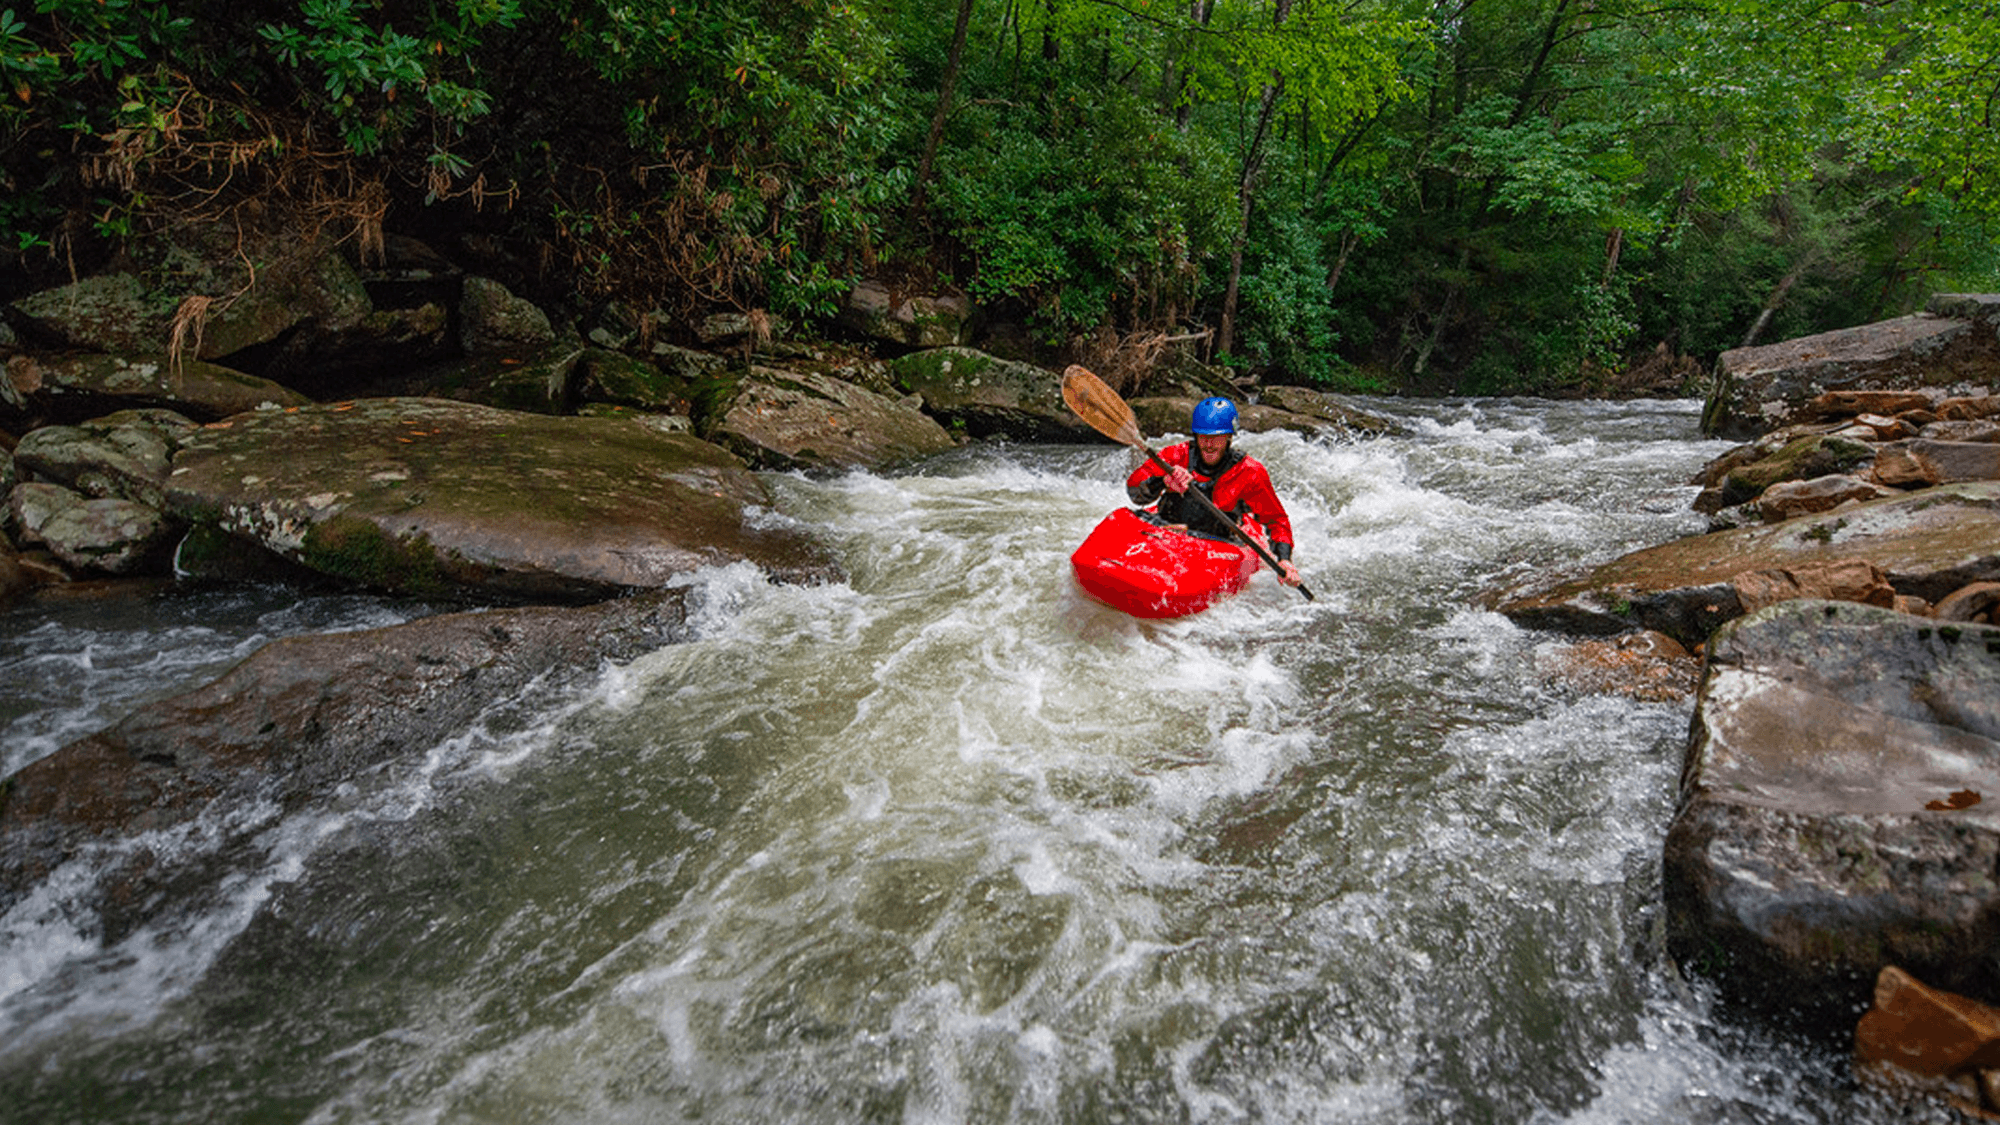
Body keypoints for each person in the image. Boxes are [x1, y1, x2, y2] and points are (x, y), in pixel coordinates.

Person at [1125, 396, 1304, 587]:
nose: (1209, 444)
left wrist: (1285, 559)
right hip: (1166, 529)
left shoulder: (1249, 471)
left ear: (1229, 436)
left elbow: (1275, 519)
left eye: (1216, 437)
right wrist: (1163, 481)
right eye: (1203, 436)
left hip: (1216, 542)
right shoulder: (1176, 455)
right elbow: (1135, 489)